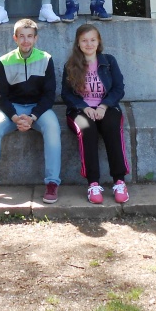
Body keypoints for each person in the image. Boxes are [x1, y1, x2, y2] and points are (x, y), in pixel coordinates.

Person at [0, 18, 62, 205]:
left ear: (36, 38)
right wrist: (14, 117)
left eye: (30, 36)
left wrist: (33, 116)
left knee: (52, 128)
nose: (26, 41)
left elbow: (49, 94)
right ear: (15, 38)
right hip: (13, 109)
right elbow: (0, 95)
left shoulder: (46, 59)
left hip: (38, 110)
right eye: (22, 37)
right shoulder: (5, 61)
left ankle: (52, 183)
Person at [61, 24, 130, 204]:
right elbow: (66, 94)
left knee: (112, 127)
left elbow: (118, 88)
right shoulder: (71, 65)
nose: (89, 44)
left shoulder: (109, 62)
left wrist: (103, 106)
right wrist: (85, 107)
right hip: (80, 111)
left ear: (99, 42)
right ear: (78, 43)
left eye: (93, 40)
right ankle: (93, 183)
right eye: (84, 40)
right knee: (87, 129)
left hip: (107, 108)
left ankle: (119, 181)